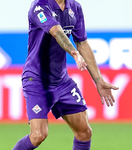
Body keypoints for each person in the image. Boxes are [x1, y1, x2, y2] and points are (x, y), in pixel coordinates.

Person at [13, 0, 119, 149]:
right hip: (37, 79)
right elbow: (57, 31)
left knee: (84, 132)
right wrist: (74, 53)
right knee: (38, 135)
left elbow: (82, 43)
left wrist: (98, 80)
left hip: (61, 81)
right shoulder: (40, 6)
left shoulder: (75, 7)